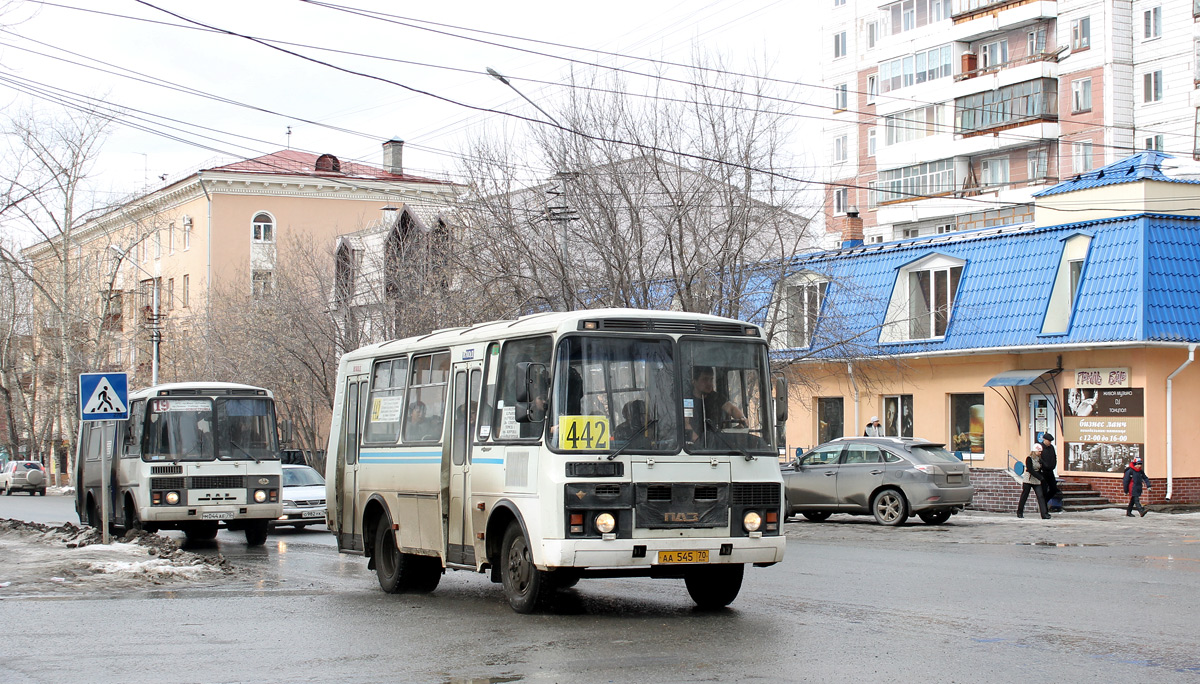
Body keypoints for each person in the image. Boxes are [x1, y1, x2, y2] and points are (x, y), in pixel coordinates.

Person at [686, 366, 745, 442]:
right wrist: (699, 443)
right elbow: (686, 425)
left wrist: (742, 418)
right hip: (694, 448)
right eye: (705, 379)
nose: (709, 383)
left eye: (711, 379)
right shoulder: (687, 400)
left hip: (715, 444)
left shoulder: (715, 397)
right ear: (694, 381)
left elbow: (731, 409)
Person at [1016, 443, 1050, 519]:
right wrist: (1040, 477)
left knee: (1040, 496)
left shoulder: (1039, 459)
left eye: (1041, 451)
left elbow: (1045, 466)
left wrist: (1044, 463)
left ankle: (1044, 514)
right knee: (1025, 495)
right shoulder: (1029, 458)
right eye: (1039, 451)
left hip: (1037, 479)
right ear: (1034, 451)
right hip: (1029, 478)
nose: (1040, 453)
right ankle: (1020, 512)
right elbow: (1030, 469)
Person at [1040, 433, 1060, 511]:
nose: (1050, 443)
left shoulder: (1051, 448)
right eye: (1049, 441)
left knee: (1053, 489)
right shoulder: (1040, 448)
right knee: (1044, 490)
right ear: (1045, 440)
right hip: (1043, 472)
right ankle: (1044, 508)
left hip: (1050, 471)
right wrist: (1044, 465)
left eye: (1050, 441)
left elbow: (1054, 457)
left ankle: (1045, 502)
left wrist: (1053, 465)